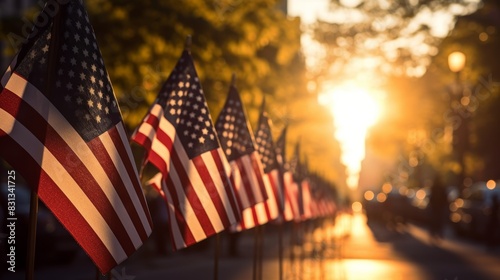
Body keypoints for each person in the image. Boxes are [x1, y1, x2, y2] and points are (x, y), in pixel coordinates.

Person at [428, 175, 448, 243]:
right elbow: (445, 197)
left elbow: (430, 197)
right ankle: (438, 234)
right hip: (439, 207)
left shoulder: (434, 187)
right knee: (439, 221)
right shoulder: (442, 187)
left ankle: (433, 234)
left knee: (434, 221)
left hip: (435, 207)